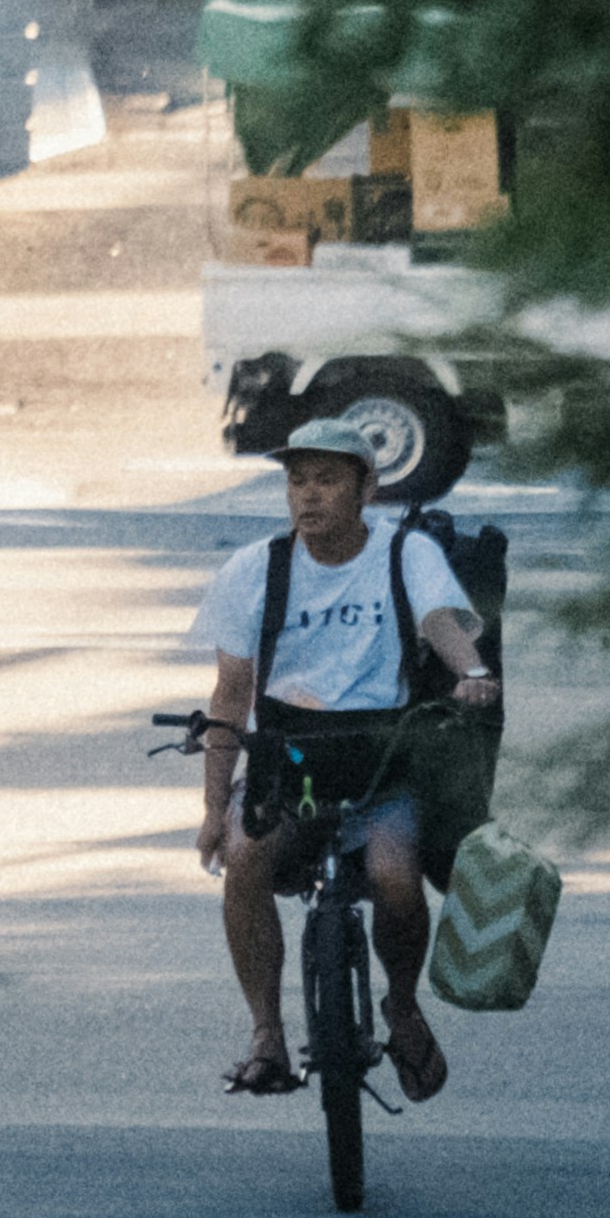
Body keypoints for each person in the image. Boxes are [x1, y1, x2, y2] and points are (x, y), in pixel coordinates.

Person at [190, 401, 498, 1100]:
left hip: (379, 760)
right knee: (243, 853)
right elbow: (230, 695)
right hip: (288, 760)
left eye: (327, 480)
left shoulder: (403, 552)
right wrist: (213, 806)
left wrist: (470, 672)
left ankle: (402, 1005)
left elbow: (438, 621)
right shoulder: (252, 569)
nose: (308, 495)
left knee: (394, 876)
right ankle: (265, 1034)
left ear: (365, 490)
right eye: (297, 481)